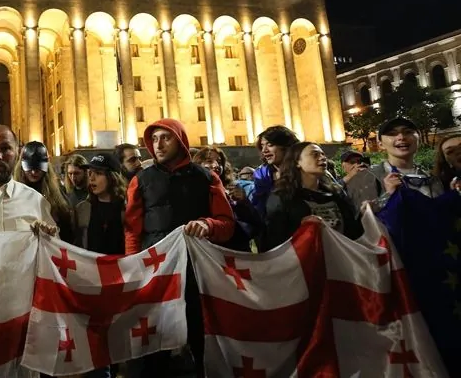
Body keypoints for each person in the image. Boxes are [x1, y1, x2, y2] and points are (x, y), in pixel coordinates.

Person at [124, 118, 235, 376]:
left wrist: (208, 225)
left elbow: (227, 224)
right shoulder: (140, 181)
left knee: (199, 336)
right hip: (156, 274)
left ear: (181, 140)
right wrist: (133, 268)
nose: (158, 145)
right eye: (154, 139)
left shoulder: (207, 178)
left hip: (197, 274)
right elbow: (132, 230)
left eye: (166, 137)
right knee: (154, 344)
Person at [260, 142, 364, 251]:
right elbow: (275, 240)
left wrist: (363, 214)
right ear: (297, 162)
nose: (322, 158)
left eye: (323, 154)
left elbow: (353, 232)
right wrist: (302, 230)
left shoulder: (336, 194)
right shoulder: (282, 197)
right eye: (315, 154)